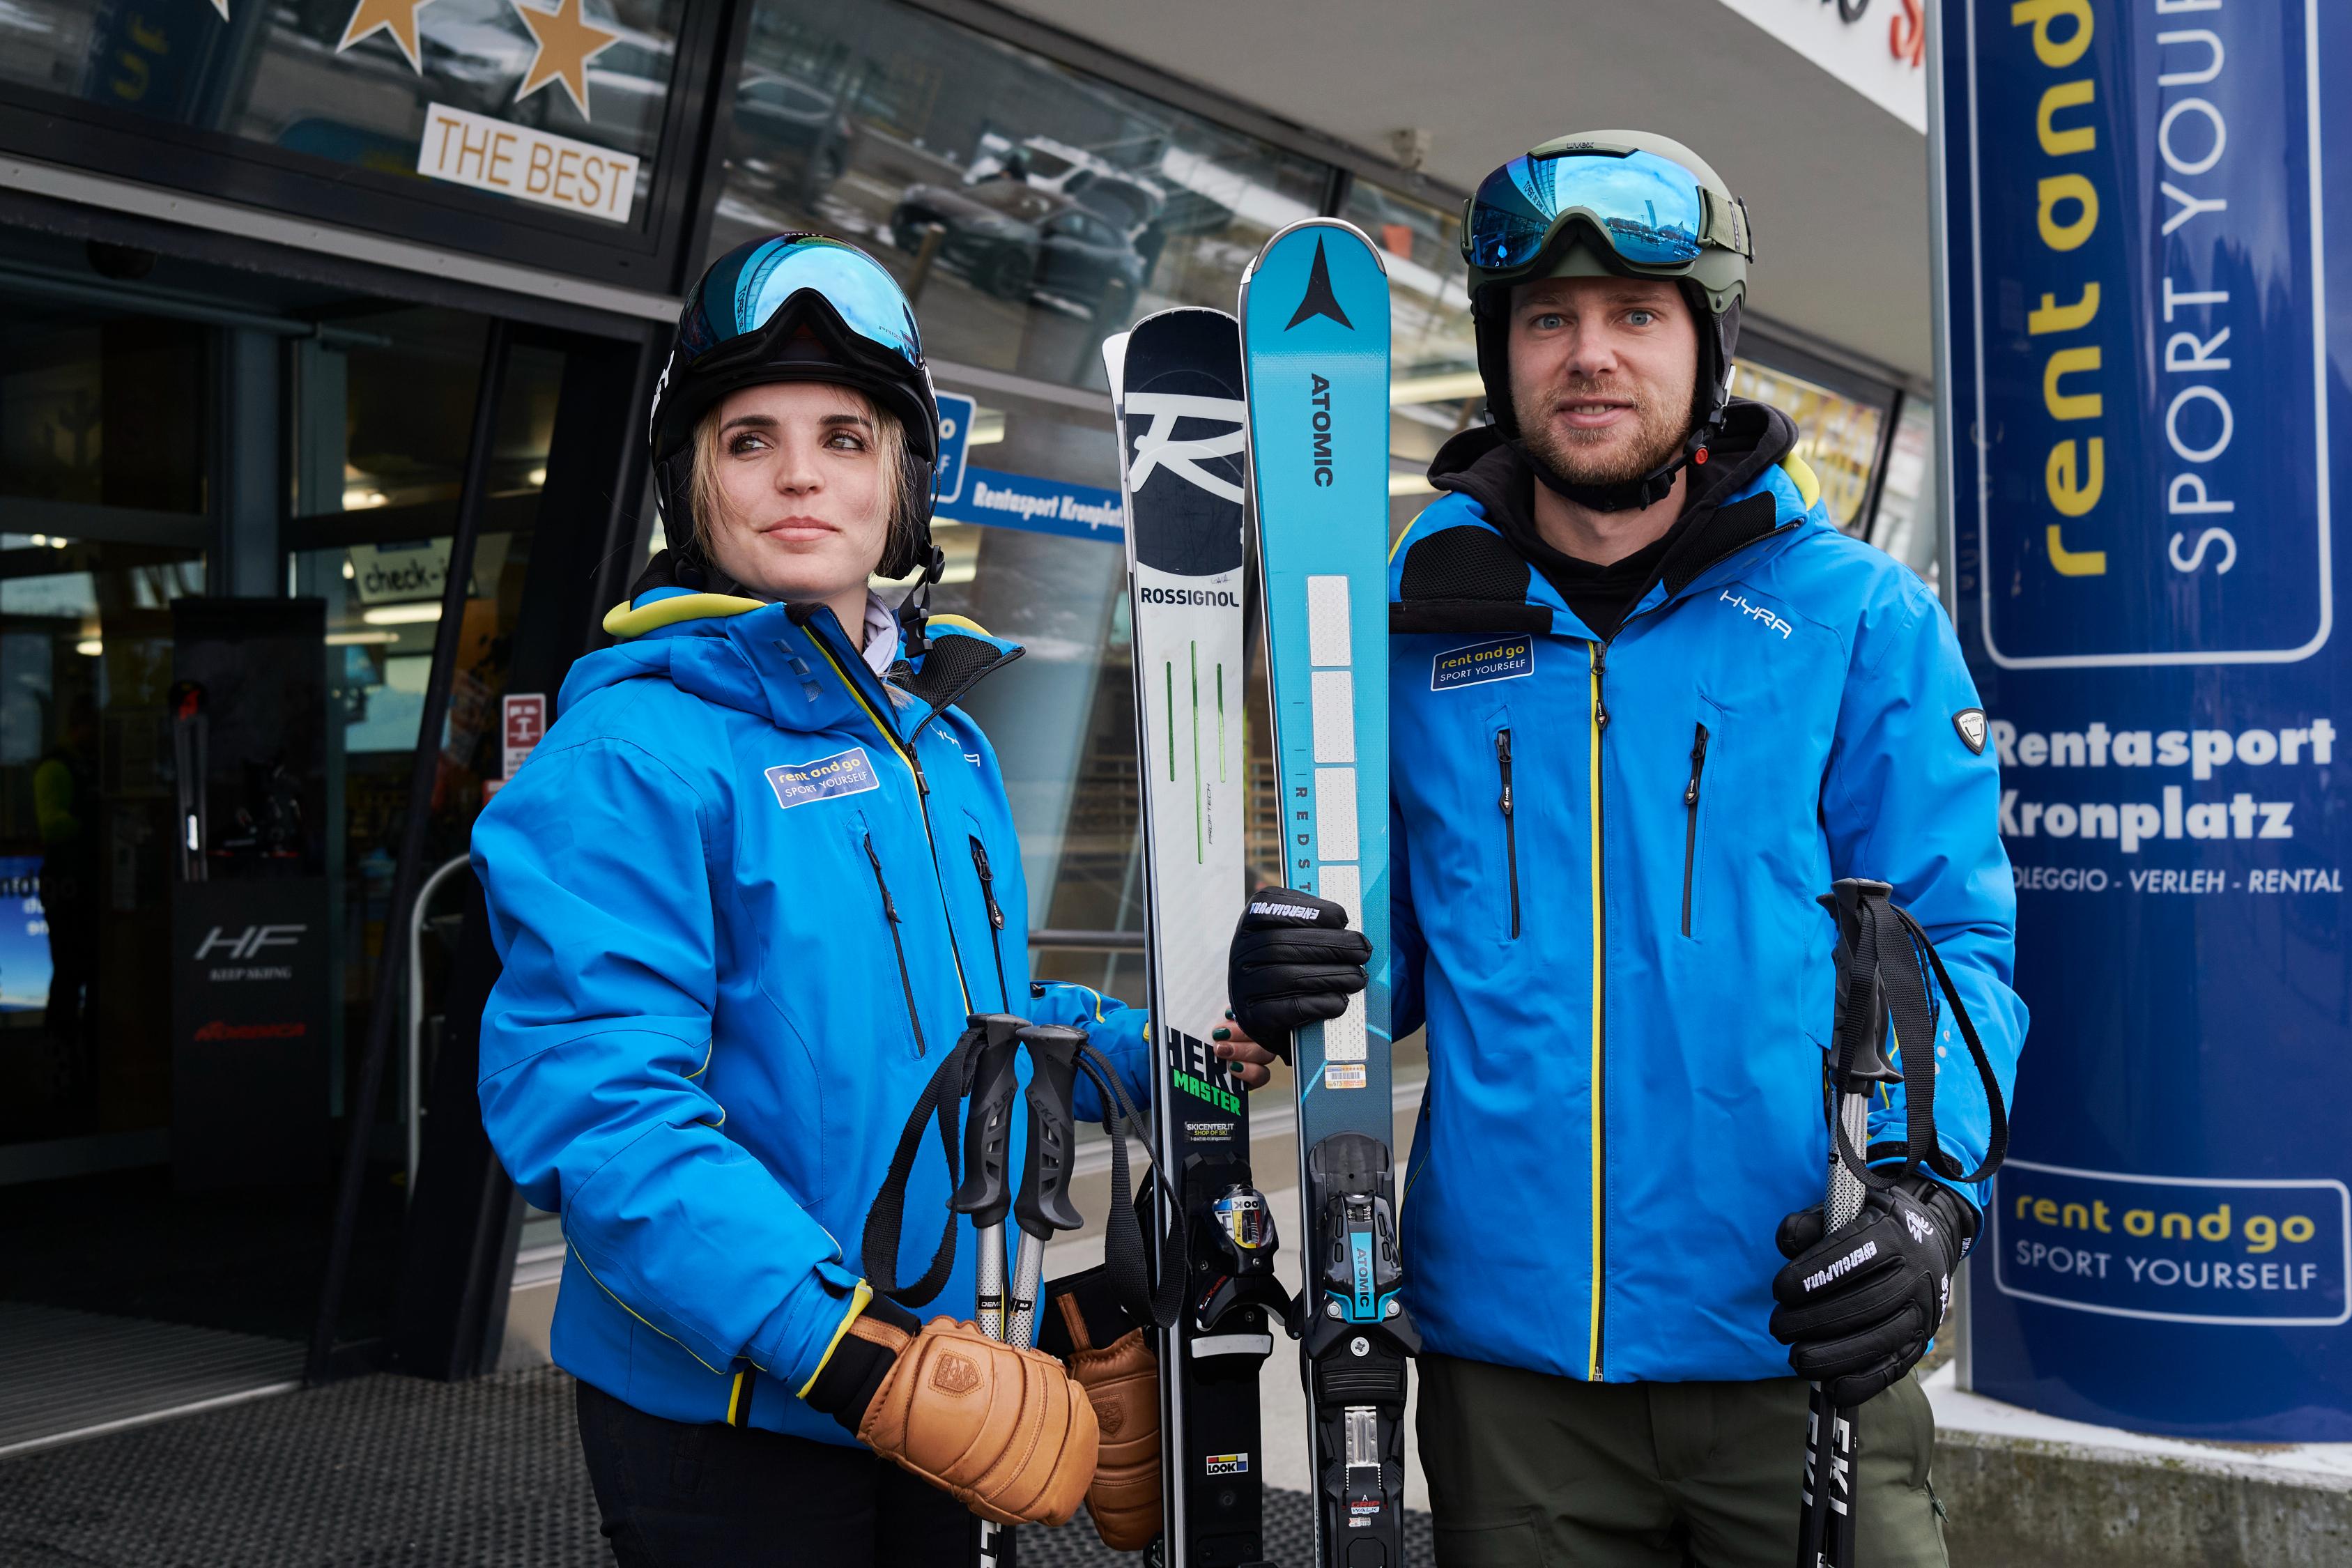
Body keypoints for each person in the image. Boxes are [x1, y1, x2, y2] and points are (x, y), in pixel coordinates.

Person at [1228, 131, 2025, 1566]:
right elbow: (1387, 958)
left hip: (1793, 1336)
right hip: (1513, 1376)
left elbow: (1950, 942)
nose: (1587, 355)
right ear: (1499, 353)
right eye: (1546, 320)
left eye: (1633, 316)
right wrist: (1288, 967)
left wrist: (1924, 1202)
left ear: (1703, 346)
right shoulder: (1408, 625)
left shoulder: (1855, 617)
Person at [471, 233, 1261, 1567]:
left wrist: (1186, 1046)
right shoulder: (631, 759)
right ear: (692, 482)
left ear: (901, 481)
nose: (797, 474)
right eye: (749, 439)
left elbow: (991, 1014)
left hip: (947, 1372)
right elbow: (604, 1110)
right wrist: (844, 1351)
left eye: (845, 436)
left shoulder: (935, 743)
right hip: (744, 1402)